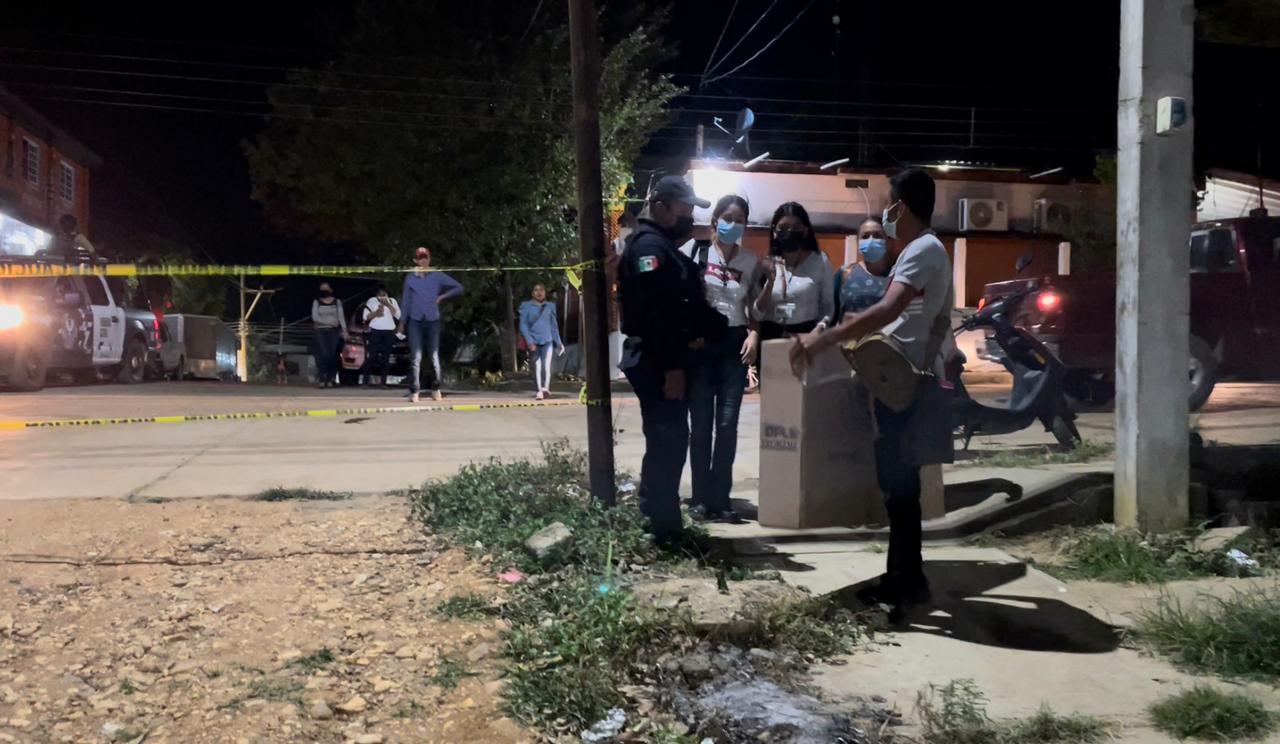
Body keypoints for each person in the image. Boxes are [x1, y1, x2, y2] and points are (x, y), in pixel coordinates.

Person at [789, 168, 952, 621]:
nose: (885, 210)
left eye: (889, 201)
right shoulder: (918, 250)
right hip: (896, 378)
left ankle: (907, 582)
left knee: (900, 485)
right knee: (897, 485)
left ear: (903, 205)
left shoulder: (923, 249)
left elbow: (887, 309)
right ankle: (903, 576)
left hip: (907, 381)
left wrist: (823, 340)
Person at [617, 175, 727, 544]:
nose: (689, 216)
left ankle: (660, 519)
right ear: (660, 206)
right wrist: (672, 368)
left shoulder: (660, 245)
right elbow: (657, 314)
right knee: (668, 440)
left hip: (661, 357)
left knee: (669, 438)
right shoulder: (649, 248)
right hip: (656, 360)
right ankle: (661, 527)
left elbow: (681, 307)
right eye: (684, 209)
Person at [680, 194, 768, 522]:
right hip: (701, 346)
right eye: (728, 218)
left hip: (734, 344)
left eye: (740, 220)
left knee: (728, 426)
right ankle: (700, 499)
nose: (733, 224)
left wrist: (754, 334)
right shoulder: (693, 251)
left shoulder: (751, 261)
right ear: (715, 220)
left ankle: (721, 499)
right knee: (701, 425)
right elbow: (679, 296)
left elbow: (755, 305)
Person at [759, 202, 835, 341]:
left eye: (796, 227)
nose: (790, 231)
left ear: (805, 230)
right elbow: (756, 312)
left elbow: (828, 306)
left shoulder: (820, 261)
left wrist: (819, 330)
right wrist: (769, 281)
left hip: (807, 335)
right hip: (770, 335)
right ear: (774, 231)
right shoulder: (766, 263)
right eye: (783, 227)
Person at [397, 247, 464, 403]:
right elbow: (406, 301)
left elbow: (459, 287)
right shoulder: (410, 278)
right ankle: (414, 391)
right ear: (415, 260)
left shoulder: (437, 275)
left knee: (433, 356)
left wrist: (442, 296)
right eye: (420, 258)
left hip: (432, 320)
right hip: (415, 321)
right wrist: (402, 322)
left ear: (429, 259)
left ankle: (436, 388)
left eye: (425, 257)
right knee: (416, 356)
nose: (423, 261)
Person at [833, 217, 892, 320]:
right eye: (865, 236)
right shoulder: (845, 273)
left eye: (877, 235)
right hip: (851, 330)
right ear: (858, 242)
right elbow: (830, 313)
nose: (871, 240)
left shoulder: (898, 274)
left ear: (887, 240)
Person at [518, 283, 564, 400]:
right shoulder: (526, 306)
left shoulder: (550, 306)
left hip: (547, 340)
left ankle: (546, 389)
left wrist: (559, 342)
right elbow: (523, 326)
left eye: (542, 290)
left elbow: (554, 326)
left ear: (545, 292)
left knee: (547, 366)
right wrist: (529, 341)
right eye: (536, 290)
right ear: (532, 293)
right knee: (537, 366)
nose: (539, 292)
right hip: (533, 341)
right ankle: (539, 390)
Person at [362, 285, 401, 387]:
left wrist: (388, 304)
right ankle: (365, 381)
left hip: (389, 330)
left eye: (384, 294)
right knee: (372, 355)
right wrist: (376, 313)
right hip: (375, 330)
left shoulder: (392, 301)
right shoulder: (372, 301)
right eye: (380, 294)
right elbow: (365, 316)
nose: (382, 296)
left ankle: (383, 382)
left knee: (386, 357)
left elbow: (398, 315)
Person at [311, 281, 347, 389]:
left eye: (326, 288)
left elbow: (341, 317)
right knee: (323, 354)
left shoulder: (337, 302)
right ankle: (322, 378)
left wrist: (345, 330)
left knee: (332, 355)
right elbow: (315, 317)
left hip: (333, 331)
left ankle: (331, 378)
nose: (324, 291)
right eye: (322, 289)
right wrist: (330, 322)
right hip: (320, 331)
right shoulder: (317, 302)